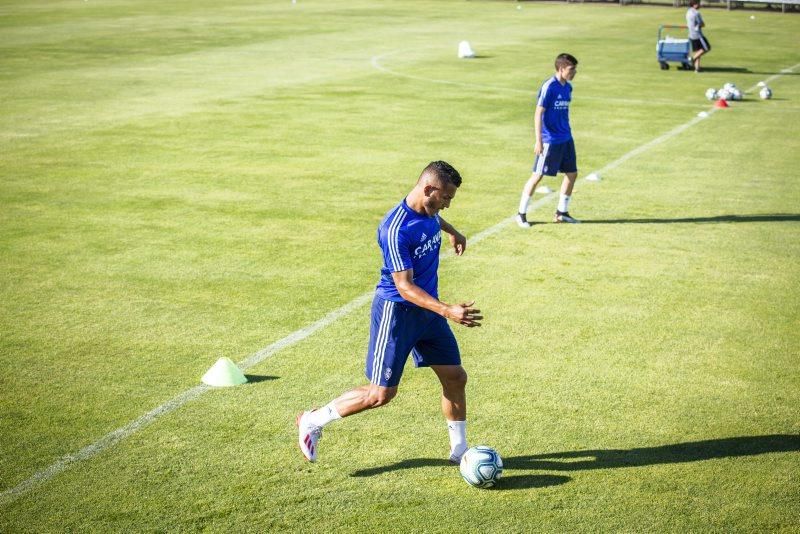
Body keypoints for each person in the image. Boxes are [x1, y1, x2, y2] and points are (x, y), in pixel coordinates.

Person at [297, 161, 482, 464]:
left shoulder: (429, 211)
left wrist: (453, 232)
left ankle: (459, 451)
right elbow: (405, 287)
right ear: (428, 189)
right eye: (445, 198)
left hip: (428, 312)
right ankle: (314, 420)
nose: (447, 205)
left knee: (455, 377)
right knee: (380, 394)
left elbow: (434, 221)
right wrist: (447, 310)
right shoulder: (395, 230)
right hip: (397, 314)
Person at [516, 53, 581, 228]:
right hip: (550, 140)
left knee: (572, 173)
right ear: (561, 68)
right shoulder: (549, 87)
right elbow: (538, 113)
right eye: (571, 69)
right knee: (537, 176)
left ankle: (561, 212)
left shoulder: (568, 87)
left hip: (566, 138)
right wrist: (539, 140)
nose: (574, 72)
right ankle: (521, 214)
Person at [686, 0, 711, 73]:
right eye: (698, 3)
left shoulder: (688, 12)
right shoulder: (696, 13)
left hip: (691, 34)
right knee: (707, 48)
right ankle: (691, 60)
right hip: (697, 35)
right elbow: (702, 24)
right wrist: (701, 24)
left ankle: (697, 69)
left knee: (698, 51)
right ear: (694, 4)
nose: (700, 5)